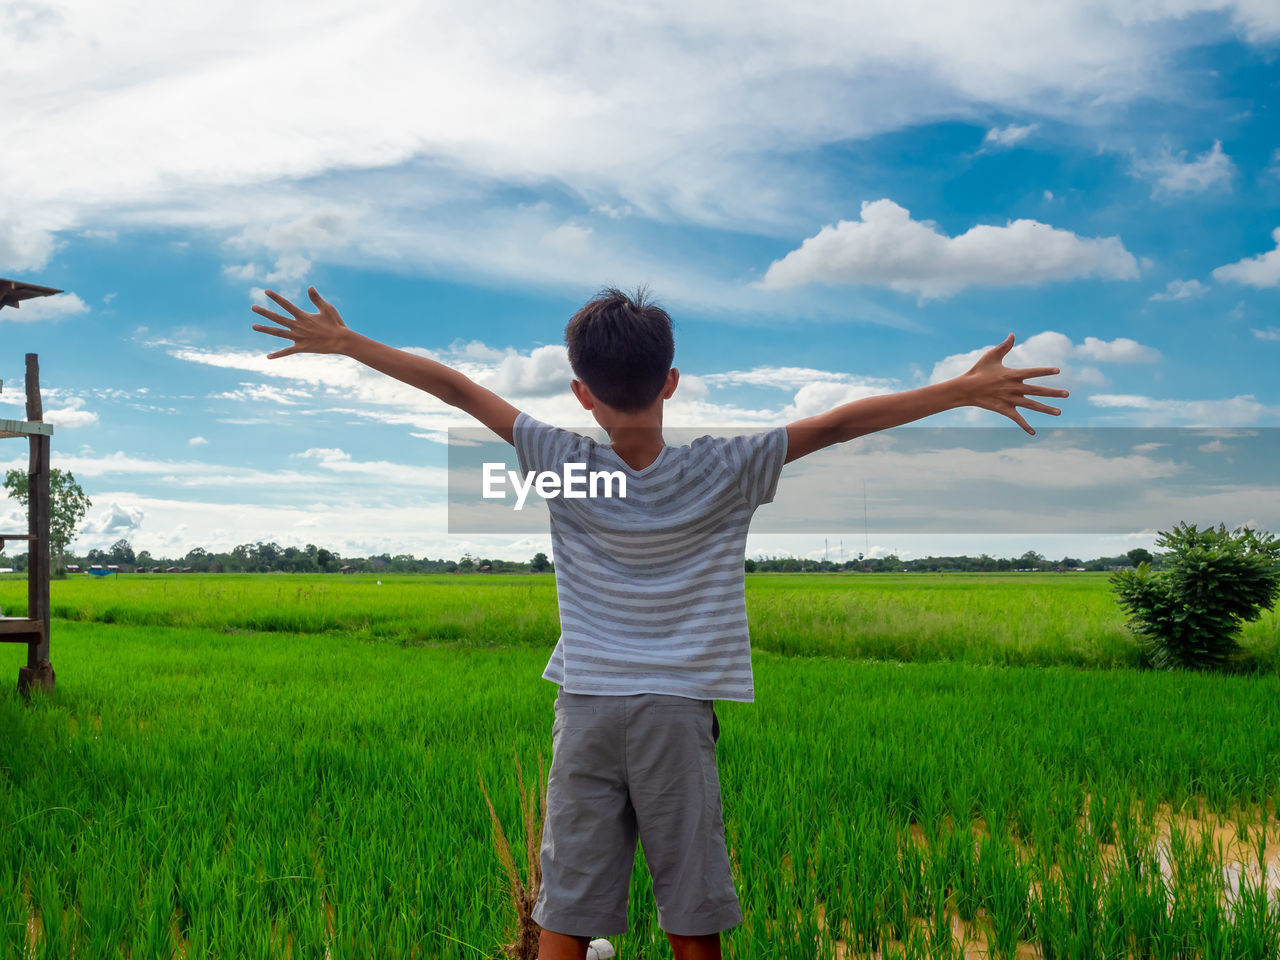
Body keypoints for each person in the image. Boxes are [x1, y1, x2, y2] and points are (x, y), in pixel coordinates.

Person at [251, 284, 1068, 960]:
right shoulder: (728, 467)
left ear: (581, 391)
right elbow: (843, 422)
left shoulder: (562, 464)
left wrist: (349, 342)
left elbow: (458, 389)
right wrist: (961, 390)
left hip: (589, 707)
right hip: (679, 709)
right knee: (691, 902)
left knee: (565, 908)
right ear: (671, 381)